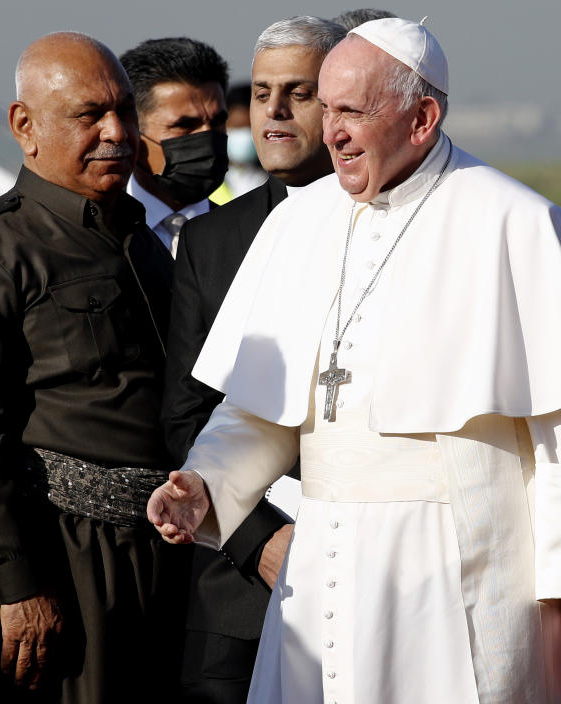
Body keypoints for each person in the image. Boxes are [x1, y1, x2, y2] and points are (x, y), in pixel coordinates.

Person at [150, 18, 561, 704]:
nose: (332, 131)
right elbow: (259, 410)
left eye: (352, 112)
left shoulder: (517, 223)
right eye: (328, 108)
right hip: (324, 562)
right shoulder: (296, 223)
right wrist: (205, 483)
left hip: (459, 563)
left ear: (422, 117)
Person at [0, 32, 186, 703]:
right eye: (89, 115)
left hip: (152, 561)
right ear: (24, 126)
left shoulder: (142, 243)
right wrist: (22, 584)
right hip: (54, 562)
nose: (117, 133)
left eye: (124, 110)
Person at [162, 16, 345, 703]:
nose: (271, 110)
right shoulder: (212, 241)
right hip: (238, 586)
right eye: (263, 91)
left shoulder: (411, 230)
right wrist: (258, 538)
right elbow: (185, 414)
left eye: (297, 92)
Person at [120, 37, 230, 257]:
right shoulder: (99, 237)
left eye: (217, 122)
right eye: (185, 125)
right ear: (132, 132)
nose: (207, 137)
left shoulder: (255, 235)